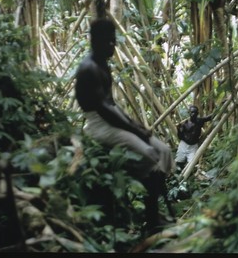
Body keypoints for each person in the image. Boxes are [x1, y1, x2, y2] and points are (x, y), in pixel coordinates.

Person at [74, 18, 174, 231]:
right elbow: (104, 110)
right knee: (149, 154)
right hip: (98, 125)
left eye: (114, 41)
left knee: (164, 151)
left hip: (113, 121)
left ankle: (154, 212)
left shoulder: (102, 65)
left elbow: (114, 107)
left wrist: (136, 126)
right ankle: (152, 218)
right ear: (96, 41)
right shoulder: (89, 68)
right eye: (109, 42)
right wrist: (136, 130)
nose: (113, 46)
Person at [175, 105, 213, 172]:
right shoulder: (185, 124)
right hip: (184, 145)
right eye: (192, 112)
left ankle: (187, 174)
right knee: (179, 162)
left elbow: (210, 117)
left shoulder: (200, 121)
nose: (193, 114)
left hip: (193, 146)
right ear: (189, 113)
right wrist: (178, 129)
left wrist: (221, 106)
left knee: (192, 165)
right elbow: (180, 136)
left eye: (195, 112)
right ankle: (180, 174)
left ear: (197, 113)